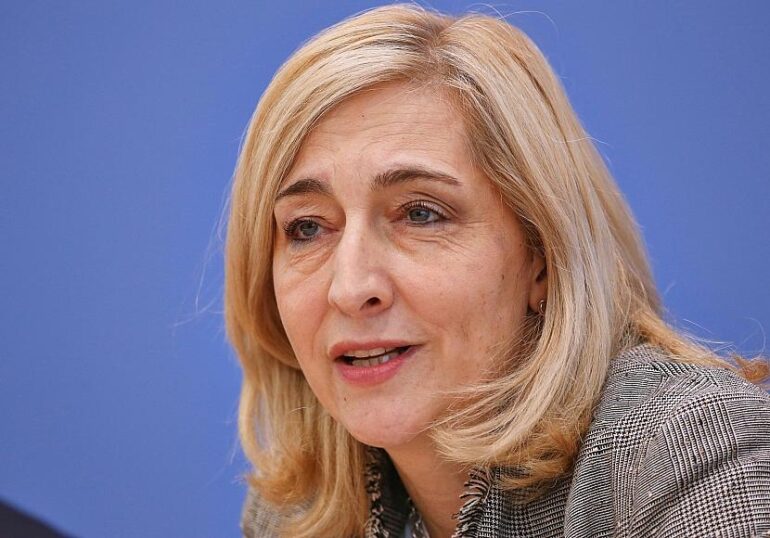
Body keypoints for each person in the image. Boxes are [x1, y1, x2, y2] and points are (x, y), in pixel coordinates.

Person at [225, 5, 770, 537]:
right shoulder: (294, 512)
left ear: (542, 256)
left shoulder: (692, 453)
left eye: (420, 214)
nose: (350, 288)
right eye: (307, 228)